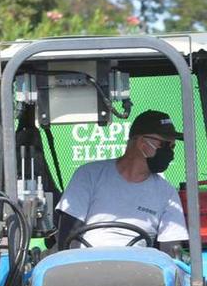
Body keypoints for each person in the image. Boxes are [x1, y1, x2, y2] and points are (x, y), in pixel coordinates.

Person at [55, 109, 188, 254]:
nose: (170, 153)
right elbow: (68, 237)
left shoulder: (167, 193)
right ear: (142, 143)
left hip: (139, 270)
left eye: (173, 146)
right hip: (88, 265)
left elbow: (172, 250)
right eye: (165, 145)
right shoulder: (89, 175)